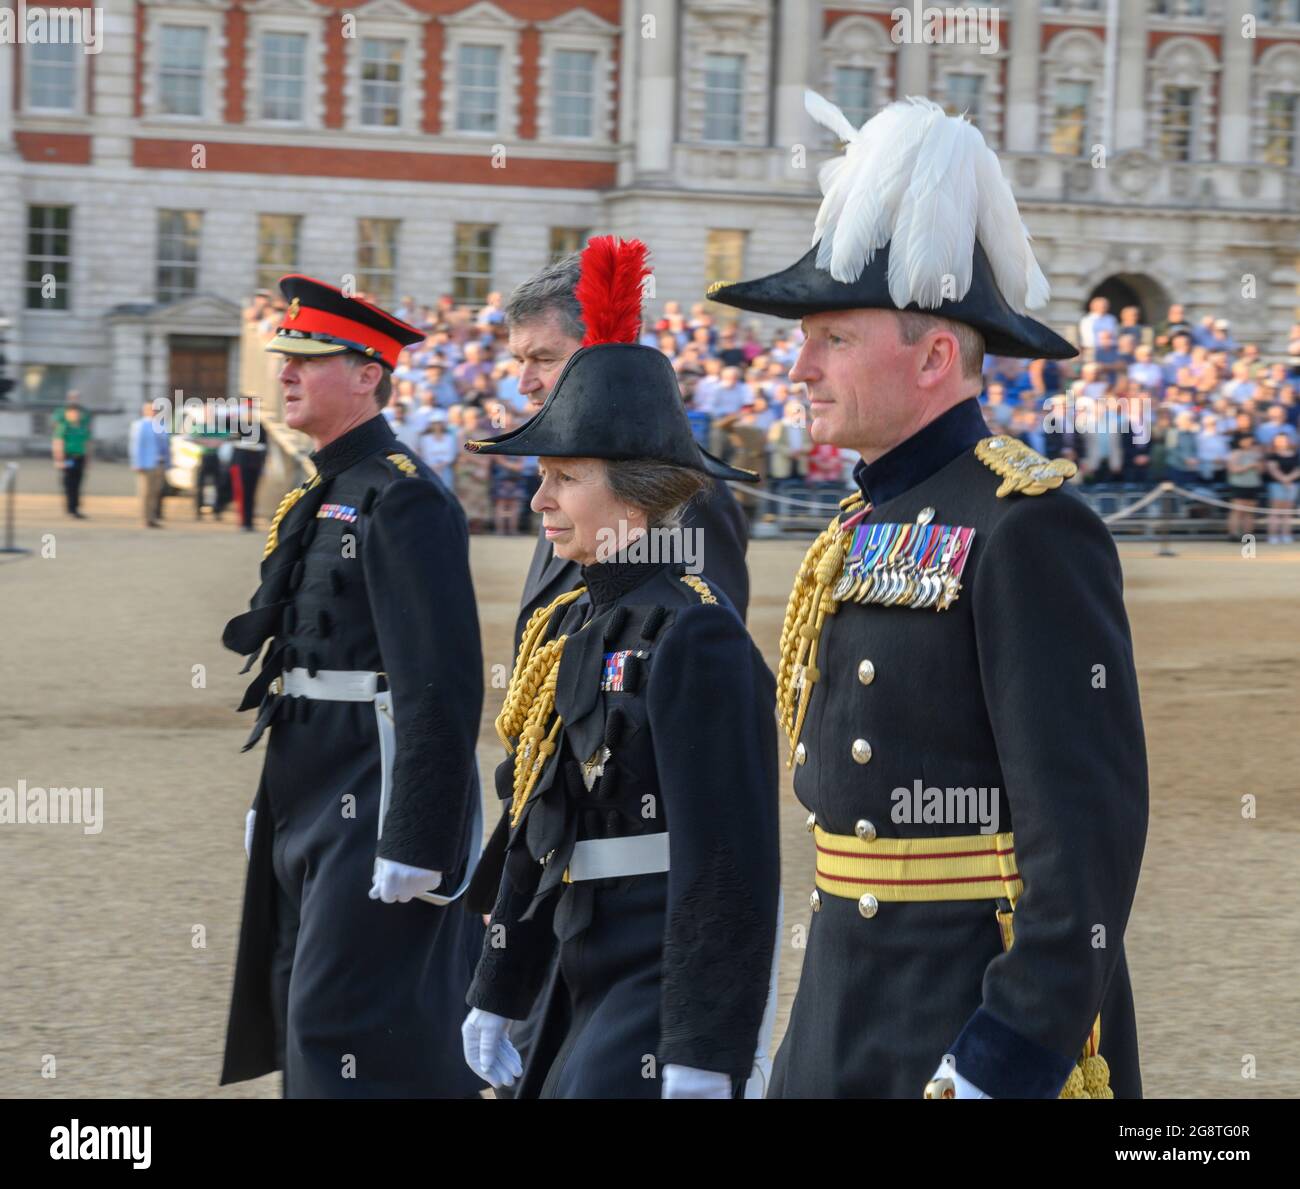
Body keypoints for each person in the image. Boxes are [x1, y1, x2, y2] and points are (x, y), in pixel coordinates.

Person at [710, 91, 1148, 1099]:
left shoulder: (1028, 527)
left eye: (832, 339)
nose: (800, 364)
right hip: (842, 999)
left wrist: (1015, 1046)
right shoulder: (860, 523)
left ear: (936, 354)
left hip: (965, 1008)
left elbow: (1083, 824)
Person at [459, 237, 780, 1098]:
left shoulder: (691, 625)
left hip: (649, 957)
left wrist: (706, 1049)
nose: (538, 498)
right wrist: (500, 983)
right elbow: (546, 797)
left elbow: (725, 856)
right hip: (571, 935)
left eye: (562, 475)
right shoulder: (583, 613)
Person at [219, 274, 486, 1098]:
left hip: (372, 787)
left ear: (368, 373)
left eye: (307, 358)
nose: (285, 372)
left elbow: (439, 685)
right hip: (310, 779)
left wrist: (418, 832)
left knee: (345, 1015)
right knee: (294, 992)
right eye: (282, 358)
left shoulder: (403, 497)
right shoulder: (326, 487)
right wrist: (277, 793)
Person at [51, 389, 92, 518]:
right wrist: (59, 459)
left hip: (79, 457)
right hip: (68, 457)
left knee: (78, 483)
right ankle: (71, 508)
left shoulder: (82, 426)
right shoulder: (64, 426)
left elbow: (88, 443)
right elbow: (58, 442)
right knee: (69, 483)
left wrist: (88, 459)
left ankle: (75, 507)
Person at [128, 400, 169, 528]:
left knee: (156, 492)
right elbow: (135, 446)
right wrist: (136, 463)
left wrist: (168, 463)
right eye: (150, 409)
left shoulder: (161, 425)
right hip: (146, 464)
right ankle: (145, 518)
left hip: (159, 463)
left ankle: (152, 517)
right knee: (145, 492)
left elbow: (166, 446)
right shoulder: (139, 425)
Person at [229, 397, 266, 532]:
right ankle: (244, 522)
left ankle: (250, 522)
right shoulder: (238, 425)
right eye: (248, 409)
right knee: (242, 494)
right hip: (241, 464)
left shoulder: (260, 426)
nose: (250, 412)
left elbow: (263, 447)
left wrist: (263, 466)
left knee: (252, 494)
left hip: (254, 465)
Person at [1265, 435, 1299, 544]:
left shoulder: (1296, 455)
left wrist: (1289, 479)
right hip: (1276, 485)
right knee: (1275, 511)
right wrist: (1284, 480)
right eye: (1279, 441)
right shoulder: (1272, 455)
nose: (1282, 442)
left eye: (1284, 440)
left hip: (1293, 485)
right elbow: (1273, 469)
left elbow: (1298, 469)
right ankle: (1273, 536)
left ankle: (1286, 535)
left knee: (1287, 512)